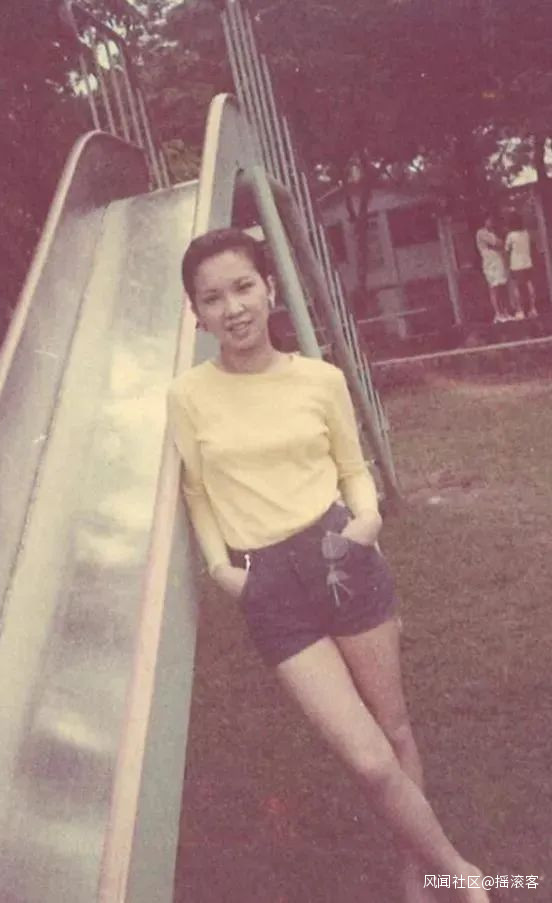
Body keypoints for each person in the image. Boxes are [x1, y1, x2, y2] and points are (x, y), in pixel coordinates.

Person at [167, 227, 489, 903]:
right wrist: (223, 571)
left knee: (393, 728)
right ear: (197, 313)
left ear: (270, 288)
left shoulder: (320, 379)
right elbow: (196, 491)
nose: (233, 307)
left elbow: (352, 467)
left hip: (341, 558)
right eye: (213, 297)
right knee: (368, 759)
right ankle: (459, 870)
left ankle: (417, 873)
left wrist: (365, 524)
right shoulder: (187, 395)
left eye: (244, 287)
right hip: (268, 587)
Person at [475, 215, 512, 322]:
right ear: (485, 221)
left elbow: (501, 244)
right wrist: (499, 242)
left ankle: (505, 312)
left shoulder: (493, 232)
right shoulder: (481, 233)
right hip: (490, 264)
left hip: (498, 262)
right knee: (494, 288)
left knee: (502, 287)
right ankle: (498, 313)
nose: (491, 222)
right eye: (489, 220)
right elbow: (497, 243)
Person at [505, 212, 538, 319]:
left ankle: (520, 310)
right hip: (527, 263)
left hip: (516, 265)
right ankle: (533, 308)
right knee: (529, 285)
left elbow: (507, 250)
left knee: (517, 288)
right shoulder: (526, 233)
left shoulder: (510, 236)